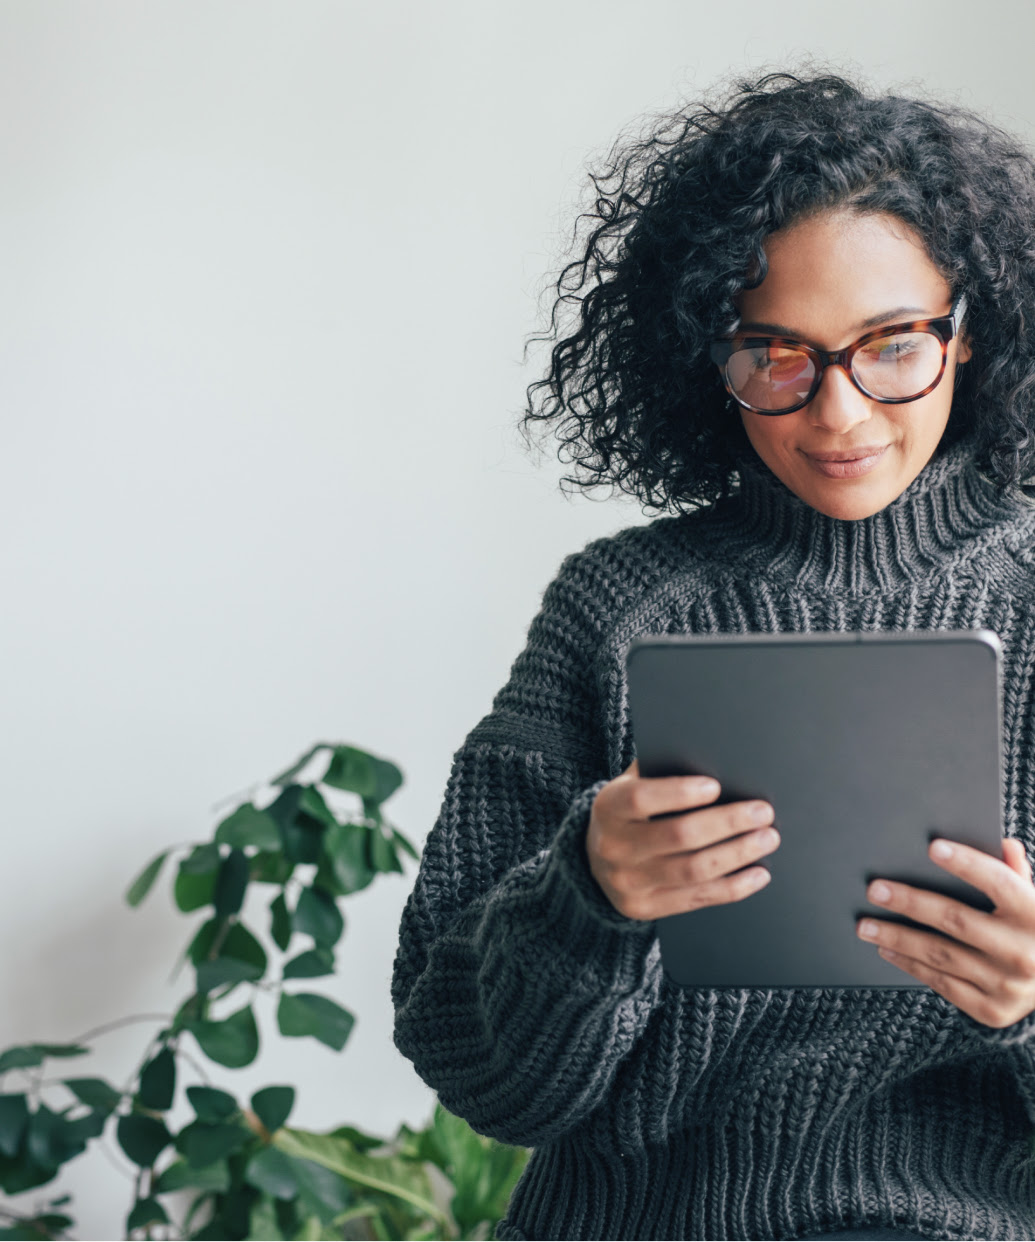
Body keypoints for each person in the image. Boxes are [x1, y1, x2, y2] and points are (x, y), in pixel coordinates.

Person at [391, 70, 1035, 1242]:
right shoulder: (616, 607)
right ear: (707, 355)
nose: (837, 413)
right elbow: (472, 1066)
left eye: (892, 347)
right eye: (774, 354)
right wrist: (589, 900)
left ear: (970, 327)